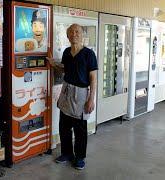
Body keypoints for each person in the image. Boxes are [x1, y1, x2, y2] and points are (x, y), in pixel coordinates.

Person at [47, 24, 98, 170]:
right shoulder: (67, 52)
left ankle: (80, 157)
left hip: (81, 94)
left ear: (82, 35)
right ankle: (67, 153)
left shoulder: (89, 54)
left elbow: (93, 77)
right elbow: (64, 68)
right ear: (68, 36)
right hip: (66, 91)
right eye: (71, 32)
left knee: (80, 129)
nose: (74, 34)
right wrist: (53, 64)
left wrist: (91, 99)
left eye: (77, 32)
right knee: (64, 126)